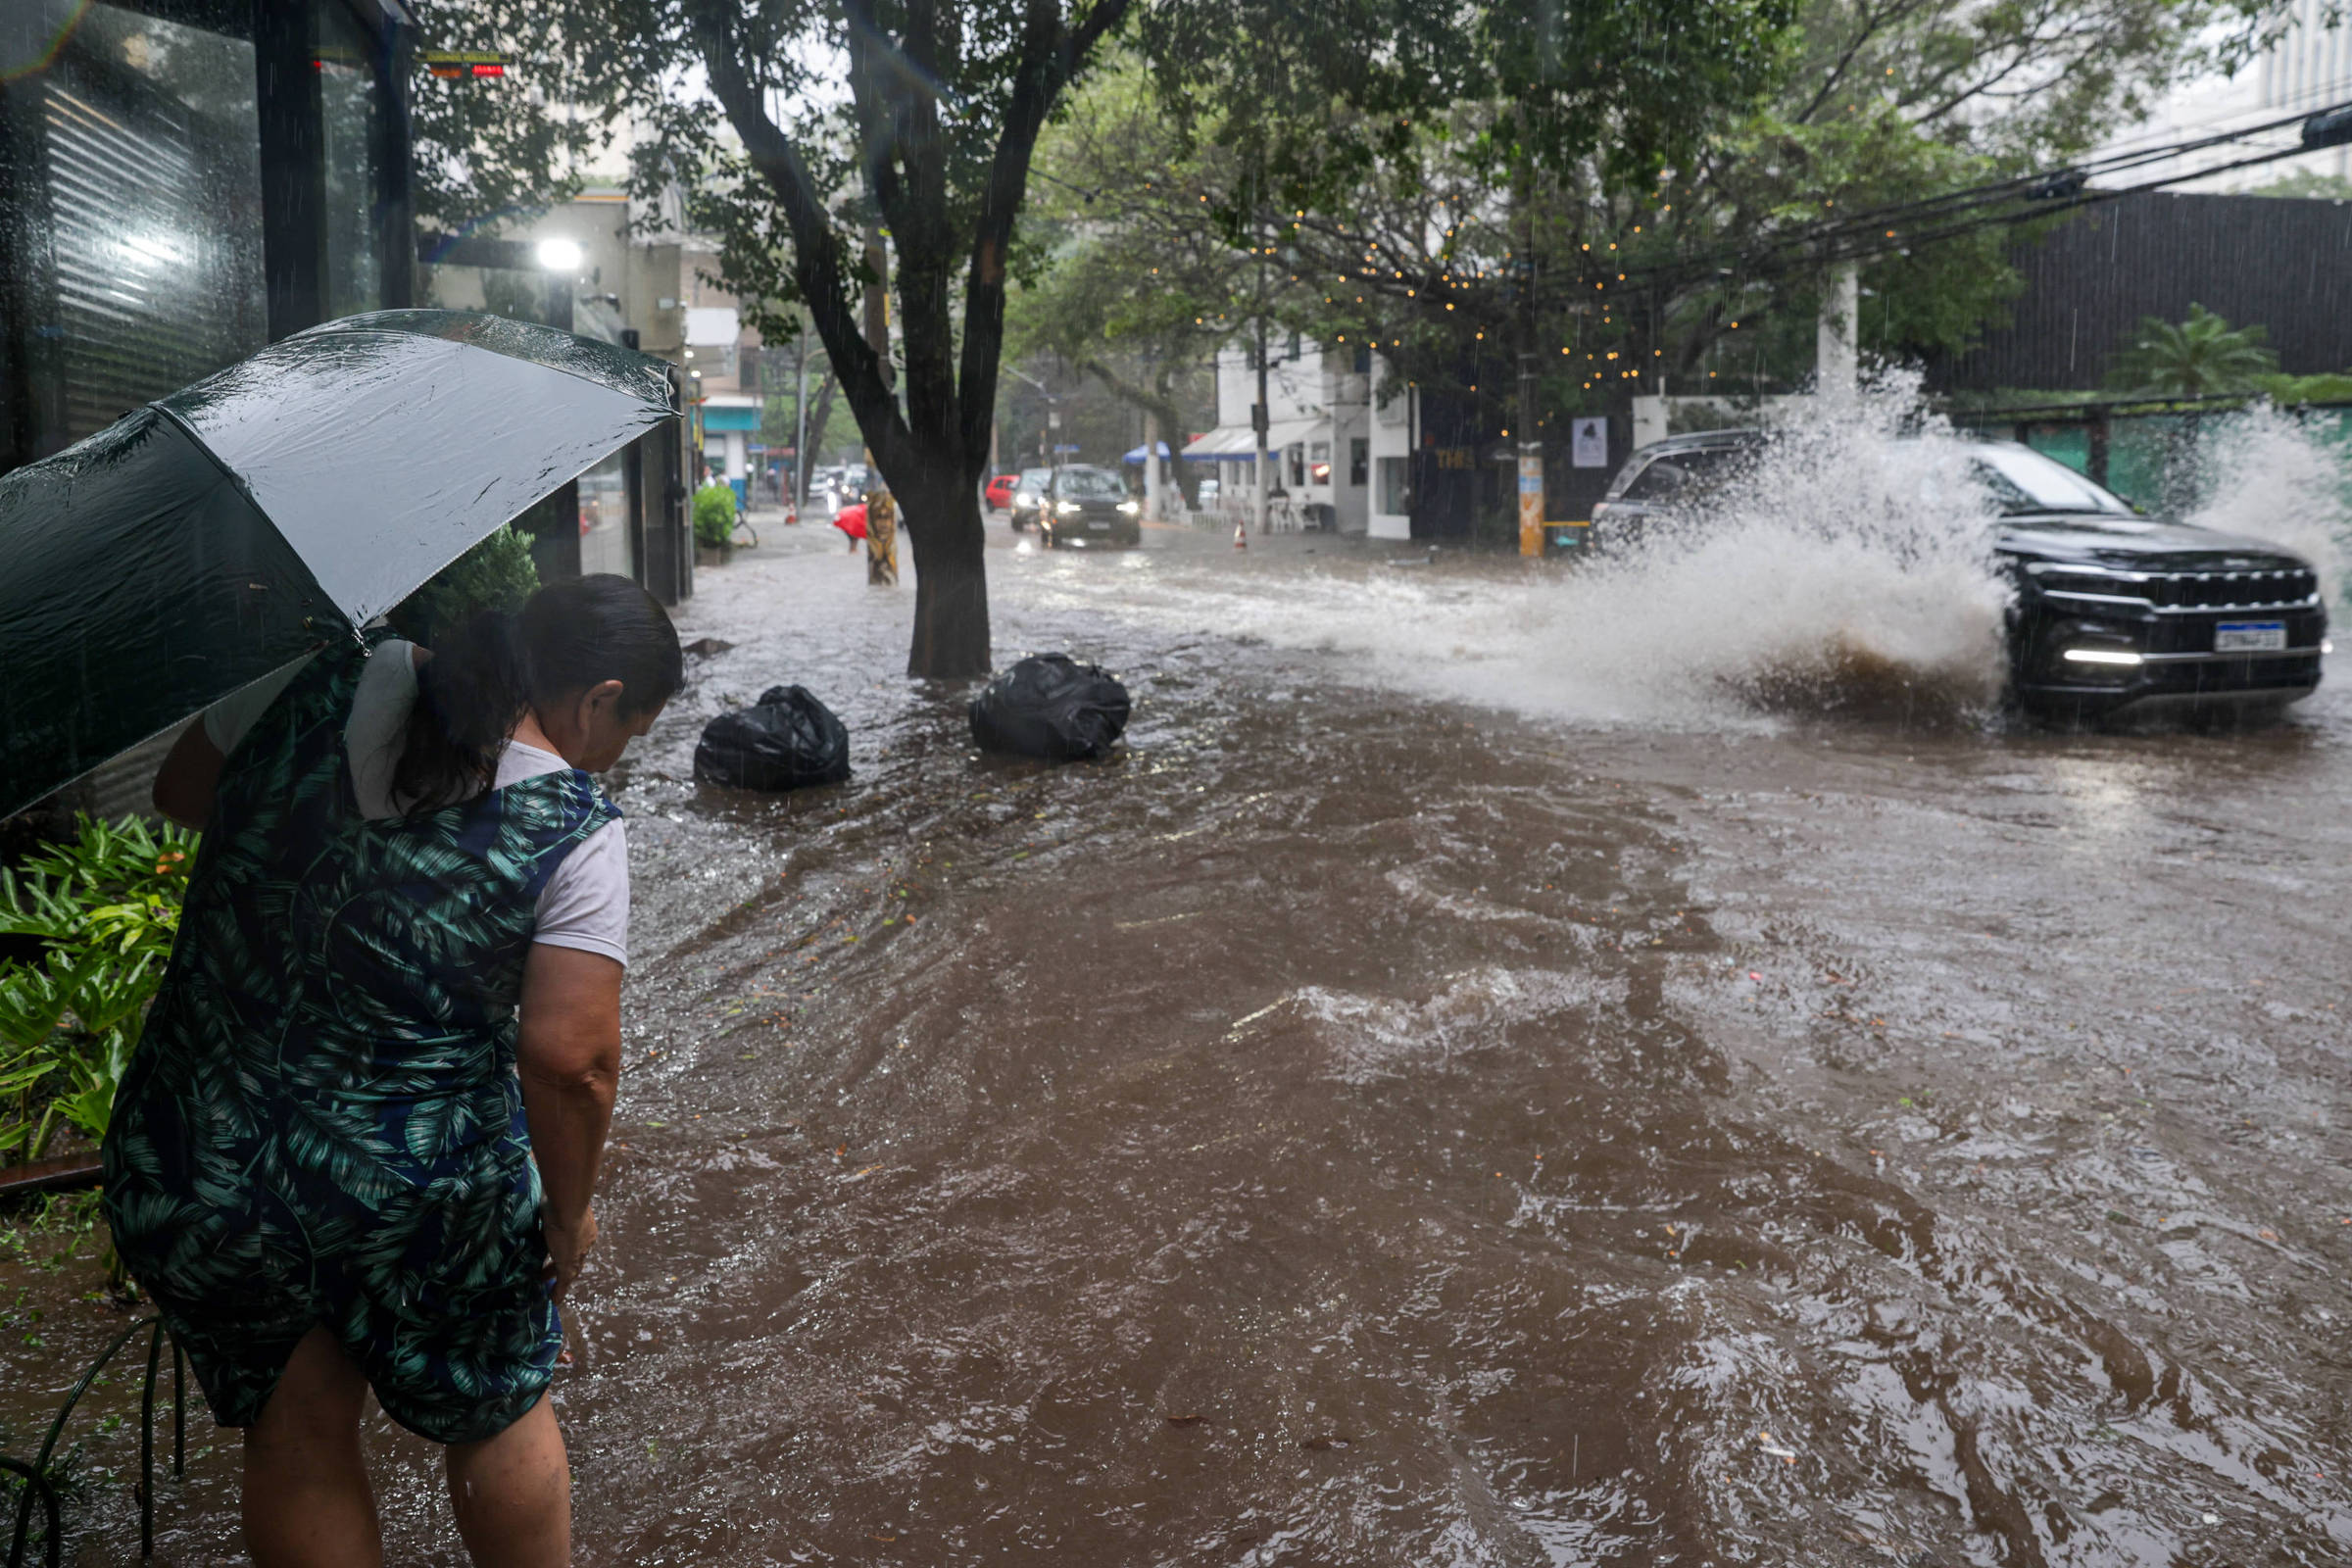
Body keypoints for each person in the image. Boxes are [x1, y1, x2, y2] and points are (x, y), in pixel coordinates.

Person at [105, 574, 683, 1568]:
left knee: (296, 1429)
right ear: (599, 702)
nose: (617, 751)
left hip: (202, 1156)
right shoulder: (572, 823)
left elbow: (182, 792)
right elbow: (570, 1061)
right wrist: (567, 1212)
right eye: (631, 727)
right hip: (419, 1193)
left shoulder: (304, 681)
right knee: (498, 1407)